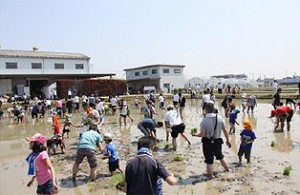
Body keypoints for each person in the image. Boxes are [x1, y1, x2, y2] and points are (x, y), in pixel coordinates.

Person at [192, 101, 231, 178]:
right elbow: (225, 131)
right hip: (217, 141)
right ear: (214, 109)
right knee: (220, 156)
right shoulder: (219, 118)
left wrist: (195, 135)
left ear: (205, 109)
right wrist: (227, 140)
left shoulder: (204, 121)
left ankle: (210, 176)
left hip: (207, 142)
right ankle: (227, 169)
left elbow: (203, 134)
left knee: (209, 160)